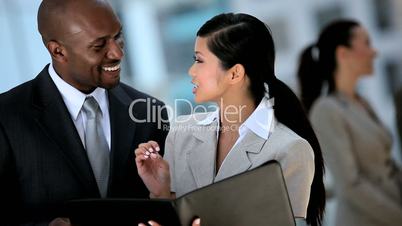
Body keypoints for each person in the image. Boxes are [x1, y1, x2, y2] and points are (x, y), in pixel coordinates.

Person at [135, 13, 326, 226]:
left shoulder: (290, 149)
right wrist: (161, 191)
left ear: (234, 74)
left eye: (199, 60)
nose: (191, 71)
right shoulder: (181, 132)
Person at [0, 0, 168, 224]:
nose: (117, 53)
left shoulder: (150, 111)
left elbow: (166, 206)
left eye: (118, 36)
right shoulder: (6, 117)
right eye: (99, 46)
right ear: (58, 51)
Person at [298, 19, 402, 226]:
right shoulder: (326, 110)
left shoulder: (363, 102)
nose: (374, 52)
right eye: (366, 43)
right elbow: (350, 185)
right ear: (343, 54)